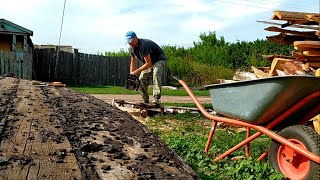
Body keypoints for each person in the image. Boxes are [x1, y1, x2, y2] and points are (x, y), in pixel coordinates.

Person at [125, 31, 166, 106]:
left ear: (136, 38)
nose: (130, 43)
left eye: (131, 41)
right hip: (149, 63)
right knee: (141, 80)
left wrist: (135, 72)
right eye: (128, 42)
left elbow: (148, 63)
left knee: (156, 74)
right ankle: (146, 101)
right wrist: (131, 75)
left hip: (158, 60)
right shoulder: (132, 49)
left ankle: (157, 100)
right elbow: (132, 62)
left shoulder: (144, 45)